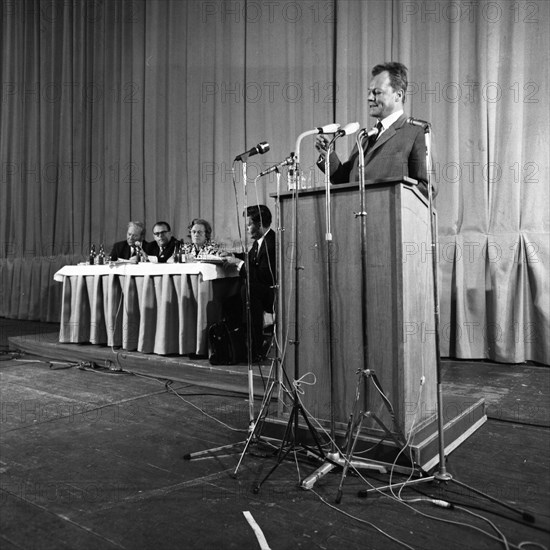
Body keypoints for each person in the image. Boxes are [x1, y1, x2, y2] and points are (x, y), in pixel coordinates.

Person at [315, 61, 429, 197]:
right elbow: (345, 182)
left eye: (377, 92)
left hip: (393, 216)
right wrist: (328, 154)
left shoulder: (418, 132)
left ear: (398, 95)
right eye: (369, 92)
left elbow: (426, 188)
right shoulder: (364, 137)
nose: (369, 98)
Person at [223, 205, 276, 361]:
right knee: (229, 304)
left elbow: (262, 275)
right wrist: (232, 255)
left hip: (272, 294)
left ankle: (256, 350)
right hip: (261, 291)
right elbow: (253, 259)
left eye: (249, 225)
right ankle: (237, 348)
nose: (247, 228)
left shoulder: (271, 244)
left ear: (259, 224)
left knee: (248, 289)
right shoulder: (260, 241)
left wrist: (238, 263)